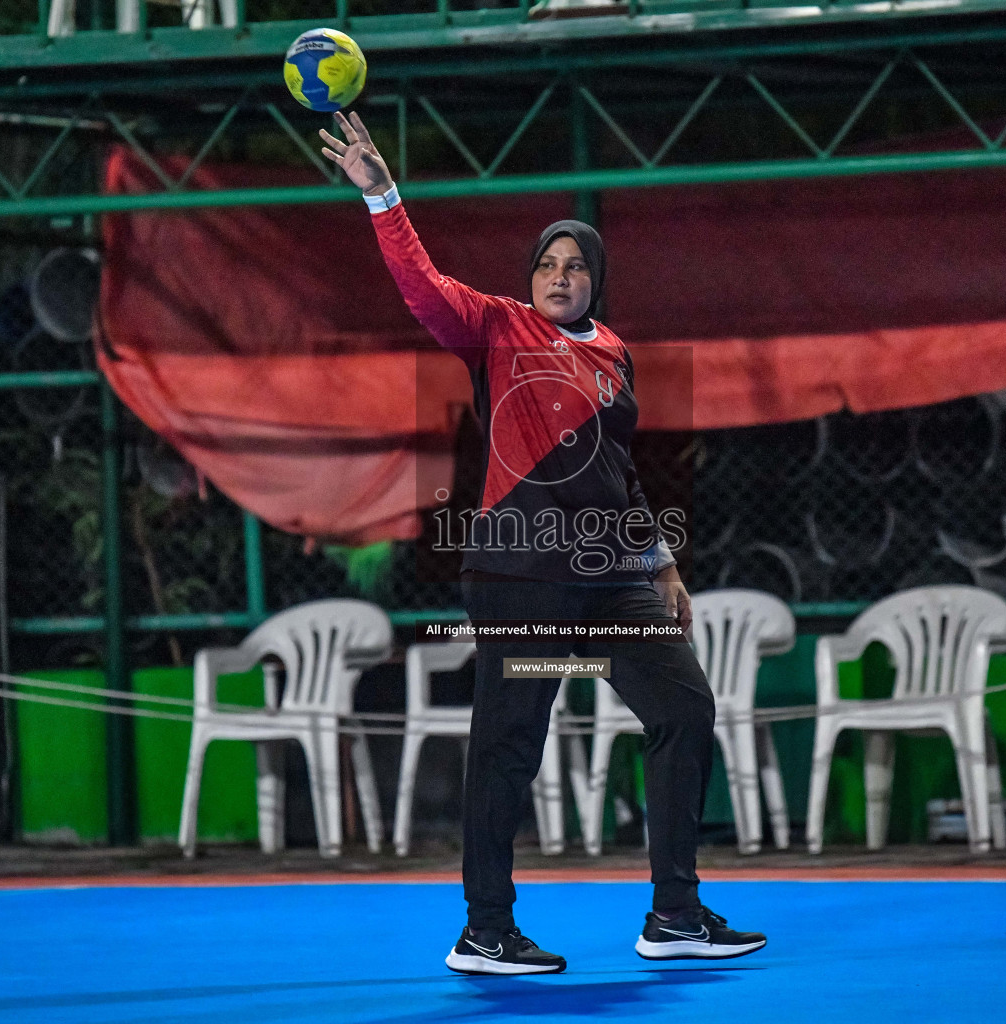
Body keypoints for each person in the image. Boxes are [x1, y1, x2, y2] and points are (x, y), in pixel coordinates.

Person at [320, 112, 766, 976]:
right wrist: (382, 193)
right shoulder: (495, 327)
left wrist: (657, 561)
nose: (560, 276)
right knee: (511, 742)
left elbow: (619, 474)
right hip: (520, 580)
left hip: (609, 582)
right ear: (531, 280)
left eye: (576, 266)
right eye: (547, 265)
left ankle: (674, 912)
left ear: (597, 281)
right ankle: (486, 929)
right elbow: (421, 285)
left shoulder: (615, 354)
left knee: (683, 709)